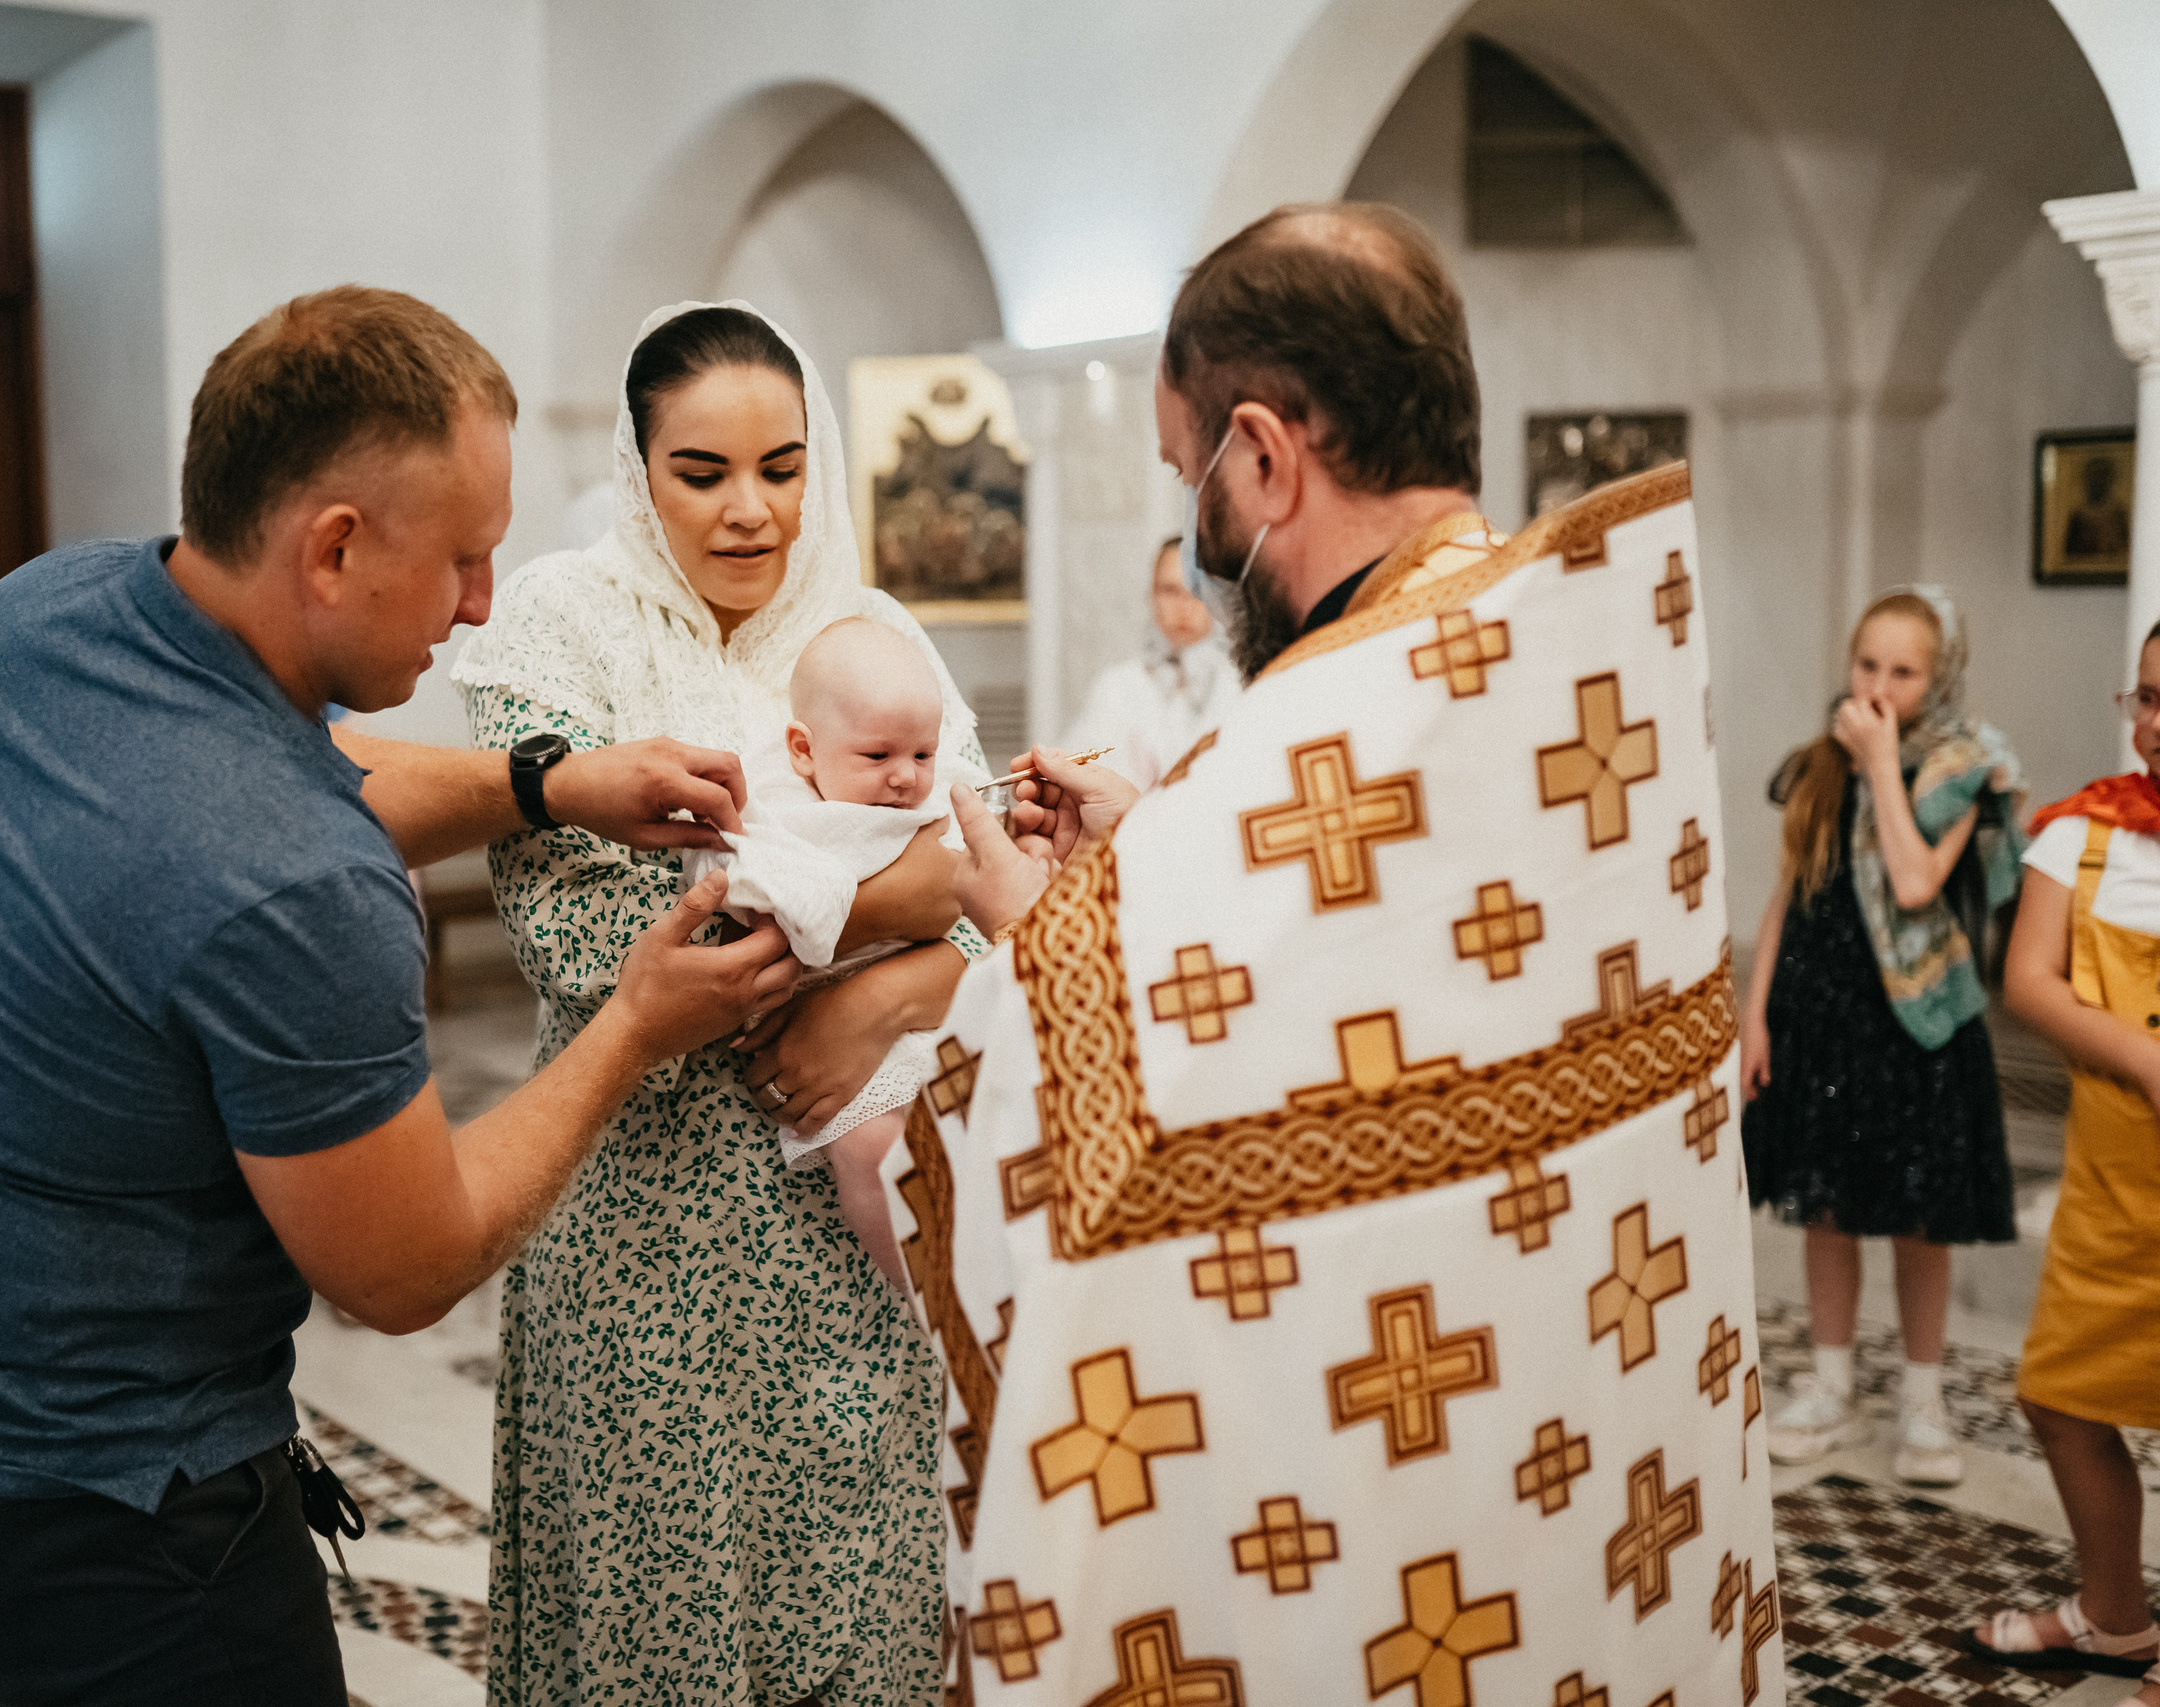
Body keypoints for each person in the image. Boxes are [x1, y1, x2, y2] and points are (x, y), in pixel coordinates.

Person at [0, 286, 800, 1707]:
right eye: (464, 559)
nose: (478, 607)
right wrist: (636, 1024)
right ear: (333, 546)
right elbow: (401, 1265)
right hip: (117, 1492)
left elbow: (310, 771)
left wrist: (549, 779)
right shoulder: (296, 889)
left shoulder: (39, 614)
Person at [912, 203, 1779, 1700]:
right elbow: (1412, 980)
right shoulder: (1581, 661)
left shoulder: (1312, 735)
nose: (1196, 518)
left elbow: (1085, 1136)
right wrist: (1157, 853)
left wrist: (1046, 937)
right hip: (1594, 1428)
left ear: (1265, 453)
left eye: (1193, 475)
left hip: (1399, 1496)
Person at [452, 302, 984, 1705]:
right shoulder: (555, 628)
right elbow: (591, 924)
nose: (753, 512)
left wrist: (890, 997)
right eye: (703, 473)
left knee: (856, 1603)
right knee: (654, 1624)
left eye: (785, 468)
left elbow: (992, 892)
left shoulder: (871, 630)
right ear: (637, 468)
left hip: (846, 1226)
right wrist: (887, 910)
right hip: (641, 1221)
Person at [1740, 587, 2022, 1487]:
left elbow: (1910, 880)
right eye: (1868, 665)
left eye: (1903, 672)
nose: (1879, 685)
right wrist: (1753, 1016)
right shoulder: (1821, 765)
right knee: (1826, 1206)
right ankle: (1830, 1384)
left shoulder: (1961, 771)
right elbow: (1790, 891)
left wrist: (1883, 762)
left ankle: (1923, 1398)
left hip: (1916, 1024)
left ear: (1936, 683)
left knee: (1914, 1213)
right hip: (1819, 1015)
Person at [687, 613, 991, 1287]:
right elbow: (740, 880)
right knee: (870, 1146)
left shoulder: (941, 787)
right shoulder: (779, 804)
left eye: (922, 754)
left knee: (980, 1126)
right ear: (803, 749)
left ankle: (985, 1277)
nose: (906, 779)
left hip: (923, 1005)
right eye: (878, 757)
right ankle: (932, 1291)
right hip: (807, 1030)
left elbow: (986, 881)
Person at [1967, 629, 2160, 1689]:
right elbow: (2031, 982)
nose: (2154, 724)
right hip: (2113, 1191)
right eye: (2147, 695)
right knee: (2060, 1396)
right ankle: (2113, 1613)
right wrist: (2137, 1053)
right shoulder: (2079, 837)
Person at [1060, 533, 1244, 789]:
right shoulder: (1116, 687)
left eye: (1197, 590)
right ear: (1151, 595)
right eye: (1169, 590)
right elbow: (1084, 777)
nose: (1183, 604)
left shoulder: (1245, 684)